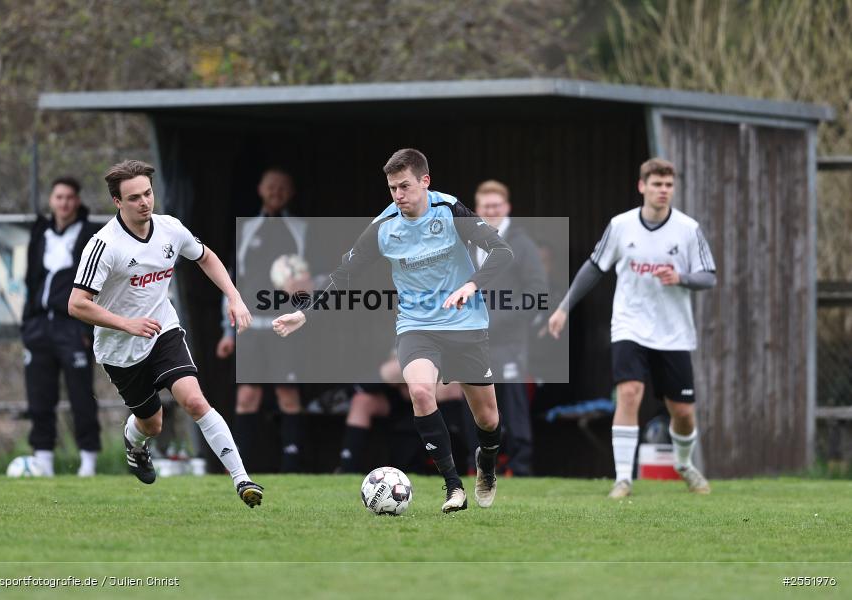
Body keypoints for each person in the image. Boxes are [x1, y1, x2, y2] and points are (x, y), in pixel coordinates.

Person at [273, 148, 513, 512]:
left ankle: (488, 462)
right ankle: (453, 488)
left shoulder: (449, 210)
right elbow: (344, 275)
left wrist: (472, 285)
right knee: (419, 391)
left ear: (425, 182)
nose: (398, 195)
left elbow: (501, 251)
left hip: (465, 323)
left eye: (405, 186)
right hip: (417, 326)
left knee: (489, 419)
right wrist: (304, 313)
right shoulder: (384, 227)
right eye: (392, 188)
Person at [68, 159, 263, 508]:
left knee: (194, 400)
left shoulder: (170, 229)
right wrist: (126, 323)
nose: (144, 202)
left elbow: (206, 257)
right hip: (119, 349)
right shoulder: (104, 245)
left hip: (163, 331)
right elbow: (77, 304)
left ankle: (242, 480)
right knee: (152, 423)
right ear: (117, 202)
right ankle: (135, 443)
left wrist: (234, 296)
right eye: (134, 198)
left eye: (147, 193)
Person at [547, 158, 716, 498]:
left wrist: (680, 277)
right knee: (628, 394)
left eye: (668, 185)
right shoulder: (621, 226)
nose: (663, 191)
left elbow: (709, 276)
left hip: (673, 332)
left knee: (682, 412)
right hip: (630, 325)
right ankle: (623, 478)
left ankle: (684, 463)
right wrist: (564, 307)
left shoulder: (687, 229)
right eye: (656, 184)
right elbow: (594, 268)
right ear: (642, 186)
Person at [215, 168, 307, 472]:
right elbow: (230, 282)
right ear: (260, 189)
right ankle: (239, 470)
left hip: (285, 326)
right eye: (271, 186)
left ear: (291, 192)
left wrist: (306, 289)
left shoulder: (301, 229)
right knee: (247, 395)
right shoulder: (247, 229)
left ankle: (292, 469)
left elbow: (318, 277)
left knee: (288, 393)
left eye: (283, 187)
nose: (276, 192)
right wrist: (227, 333)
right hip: (249, 327)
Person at [22, 176, 101, 477]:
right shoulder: (40, 233)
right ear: (51, 200)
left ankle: (88, 462)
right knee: (39, 395)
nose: (64, 203)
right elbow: (30, 279)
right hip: (39, 327)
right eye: (59, 197)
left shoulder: (92, 234)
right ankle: (43, 461)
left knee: (81, 396)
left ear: (77, 201)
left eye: (70, 197)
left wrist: (87, 328)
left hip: (73, 327)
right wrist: (27, 323)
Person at [472, 180, 547, 476]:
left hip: (510, 340)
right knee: (476, 400)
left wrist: (502, 317)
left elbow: (537, 291)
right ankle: (475, 463)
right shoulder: (468, 242)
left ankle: (520, 466)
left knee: (512, 402)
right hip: (473, 339)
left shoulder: (521, 244)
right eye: (485, 206)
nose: (491, 211)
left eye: (496, 206)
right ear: (477, 209)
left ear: (507, 208)